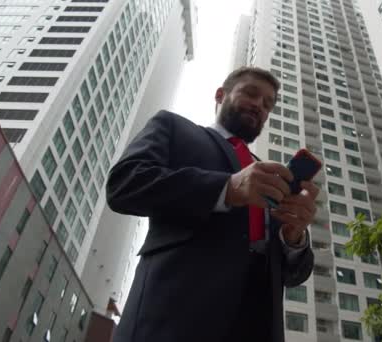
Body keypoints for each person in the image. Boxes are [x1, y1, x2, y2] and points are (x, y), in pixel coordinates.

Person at [106, 66, 319, 342]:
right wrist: (226, 188)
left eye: (267, 104)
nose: (259, 106)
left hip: (257, 326)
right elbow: (123, 184)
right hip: (172, 318)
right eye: (251, 94)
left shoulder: (267, 176)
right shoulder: (173, 127)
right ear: (220, 95)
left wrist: (294, 237)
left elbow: (294, 275)